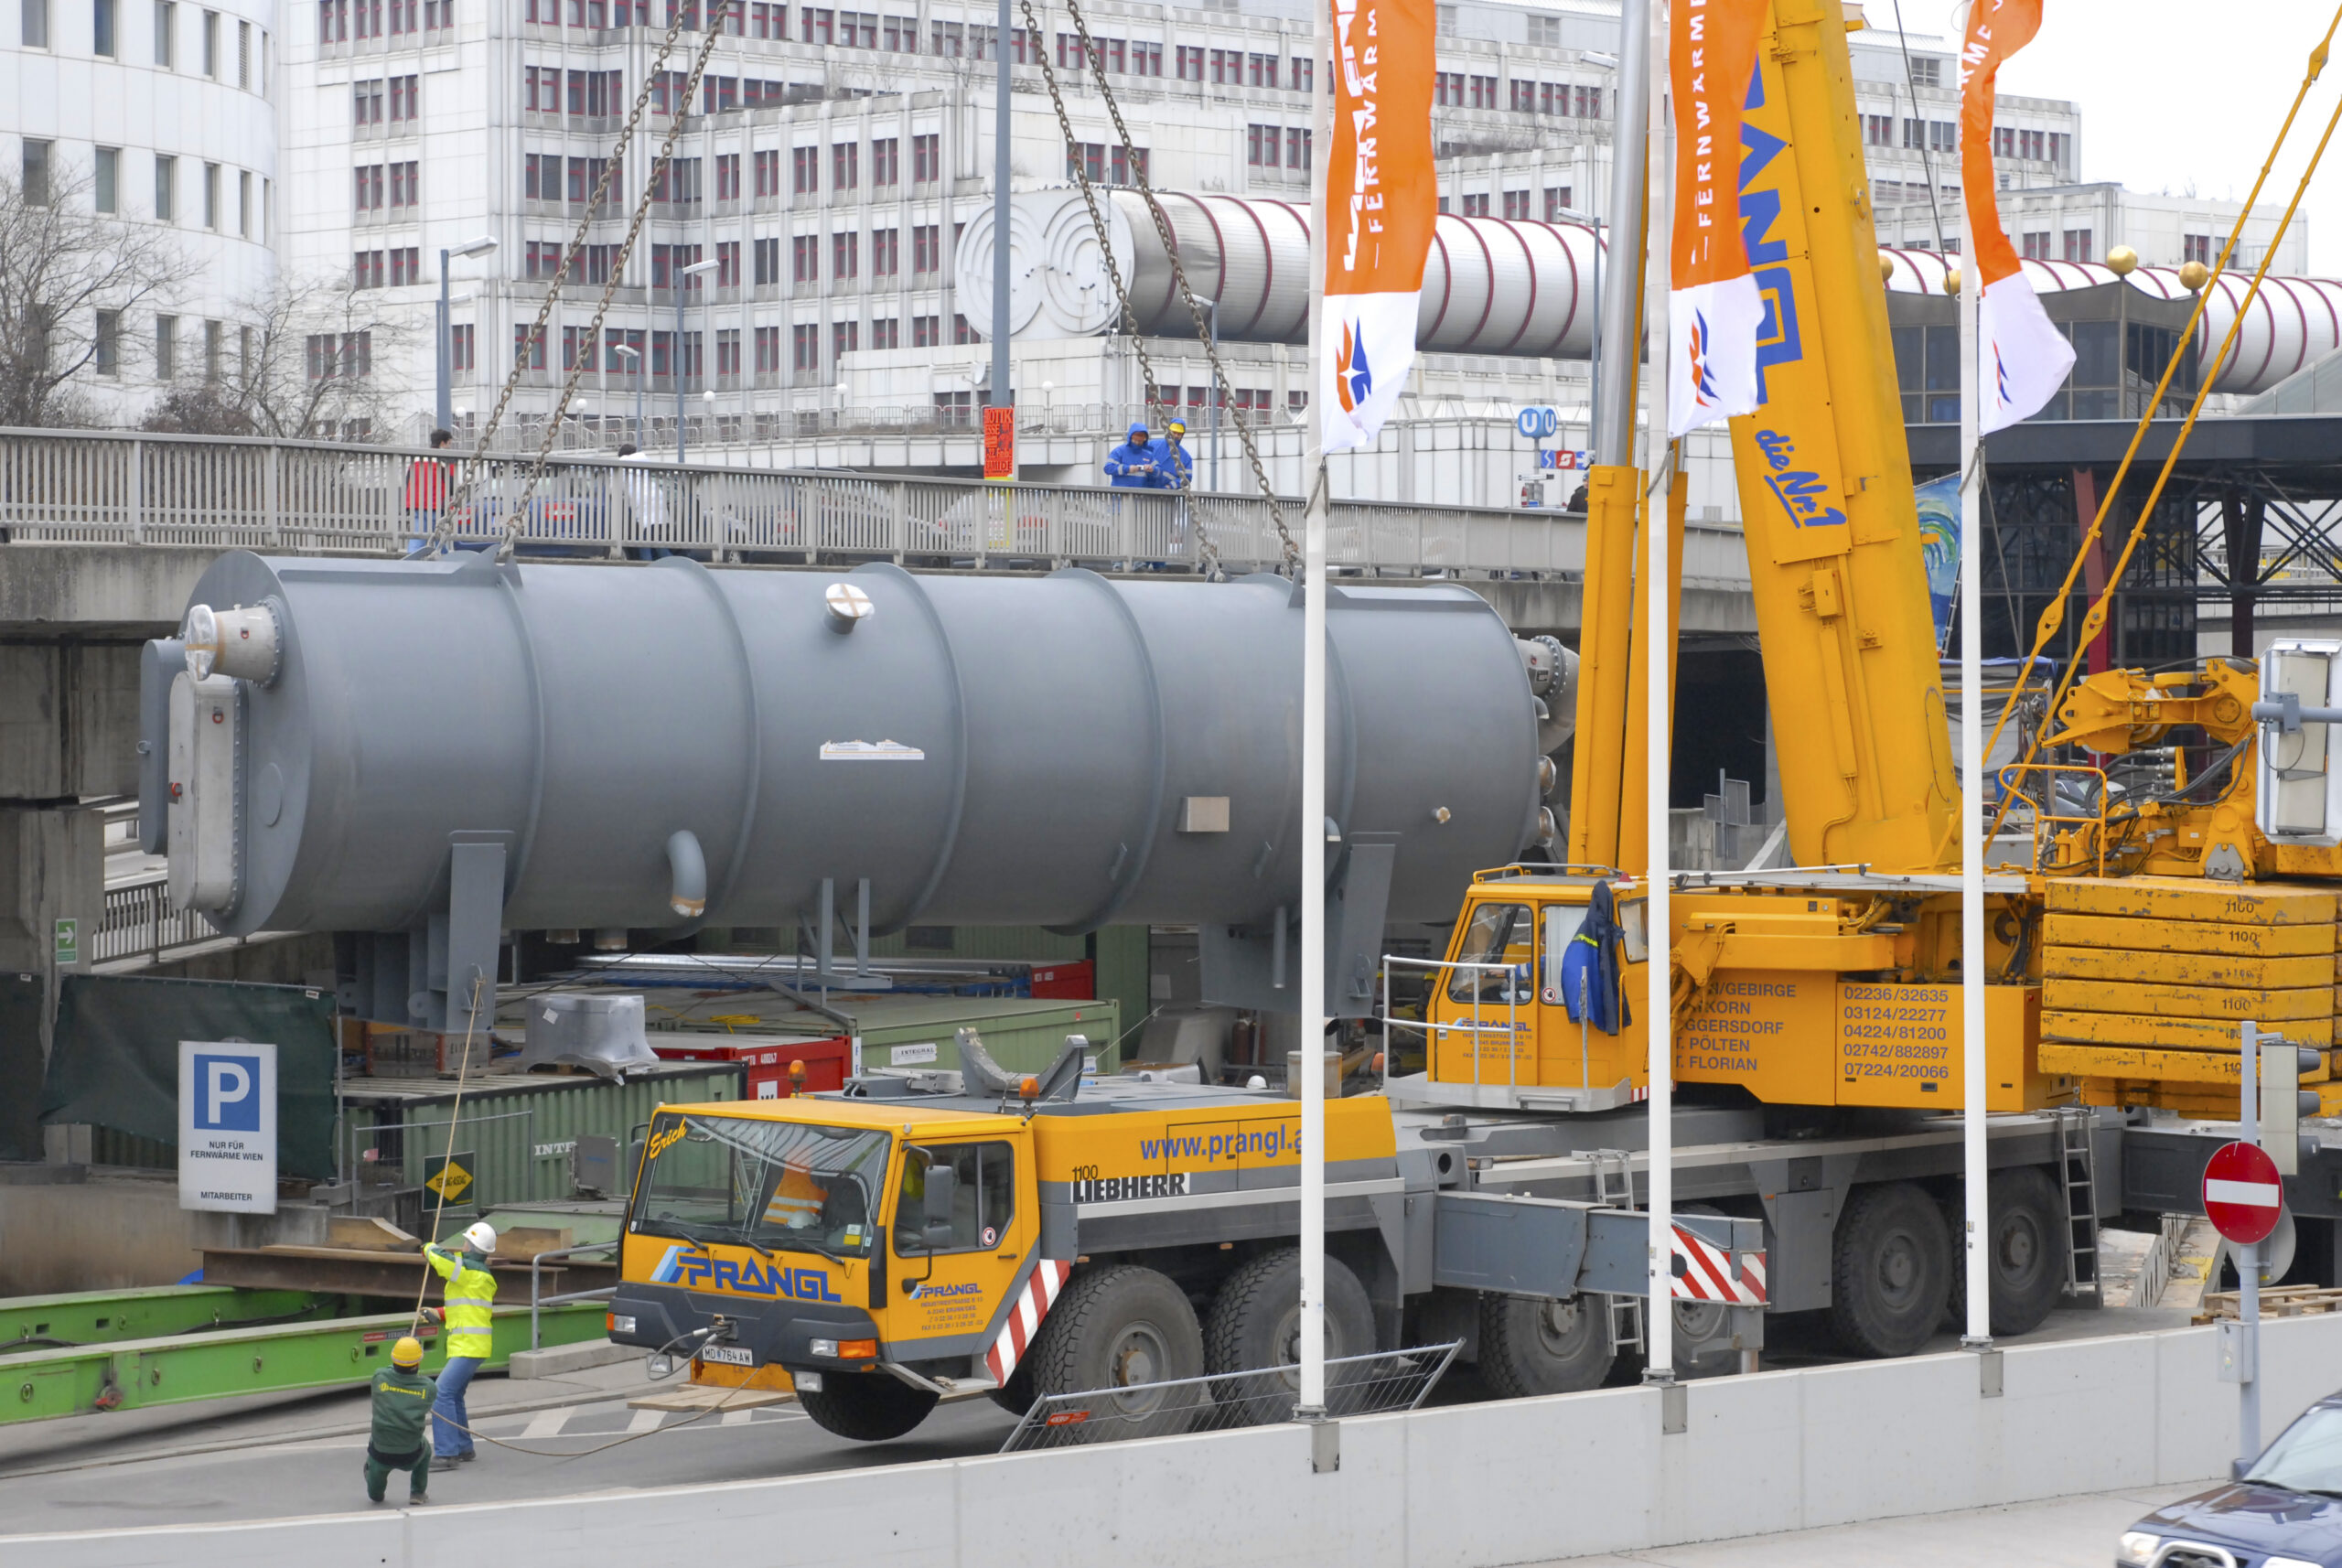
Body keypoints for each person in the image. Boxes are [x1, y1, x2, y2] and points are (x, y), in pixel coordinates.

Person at [423, 1220, 498, 1470]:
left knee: (440, 1393)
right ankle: (464, 1447)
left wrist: (428, 1247)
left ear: (471, 1247)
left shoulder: (467, 1271)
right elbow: (466, 1308)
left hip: (468, 1346)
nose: (462, 1245)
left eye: (466, 1242)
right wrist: (439, 1313)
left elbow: (441, 1260)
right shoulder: (476, 1276)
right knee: (454, 1395)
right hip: (471, 1346)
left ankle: (446, 1454)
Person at [364, 1336, 437, 1505]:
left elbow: (388, 1370)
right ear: (418, 1361)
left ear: (393, 1358)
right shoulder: (428, 1387)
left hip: (380, 1451)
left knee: (375, 1459)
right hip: (411, 1453)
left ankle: (376, 1492)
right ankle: (417, 1493)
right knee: (425, 1451)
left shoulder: (379, 1377)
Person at [617, 444, 673, 560]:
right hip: (658, 498)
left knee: (644, 543)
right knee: (657, 541)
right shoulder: (643, 461)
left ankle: (647, 566)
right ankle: (672, 564)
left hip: (643, 503)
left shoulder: (620, 466)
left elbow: (614, 489)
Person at [403, 429, 454, 556]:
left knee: (417, 537)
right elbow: (451, 487)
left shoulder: (416, 461)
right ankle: (445, 562)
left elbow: (408, 482)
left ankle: (411, 562)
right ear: (443, 443)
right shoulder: (445, 463)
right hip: (437, 506)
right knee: (439, 539)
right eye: (449, 444)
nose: (449, 447)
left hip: (416, 505)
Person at [1102, 422, 1159, 488]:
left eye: (1140, 440)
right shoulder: (1119, 451)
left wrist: (1152, 469)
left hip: (1140, 496)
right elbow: (1108, 468)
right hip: (1121, 495)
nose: (1137, 442)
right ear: (1131, 437)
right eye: (1135, 440)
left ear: (1144, 439)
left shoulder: (1148, 455)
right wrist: (1127, 469)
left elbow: (1159, 473)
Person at [1155, 420, 1194, 491]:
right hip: (1146, 492)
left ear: (1182, 435)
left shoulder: (1186, 458)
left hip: (1168, 497)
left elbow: (1187, 478)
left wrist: (1170, 486)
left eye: (1179, 434)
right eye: (1174, 432)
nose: (1176, 436)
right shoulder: (1153, 445)